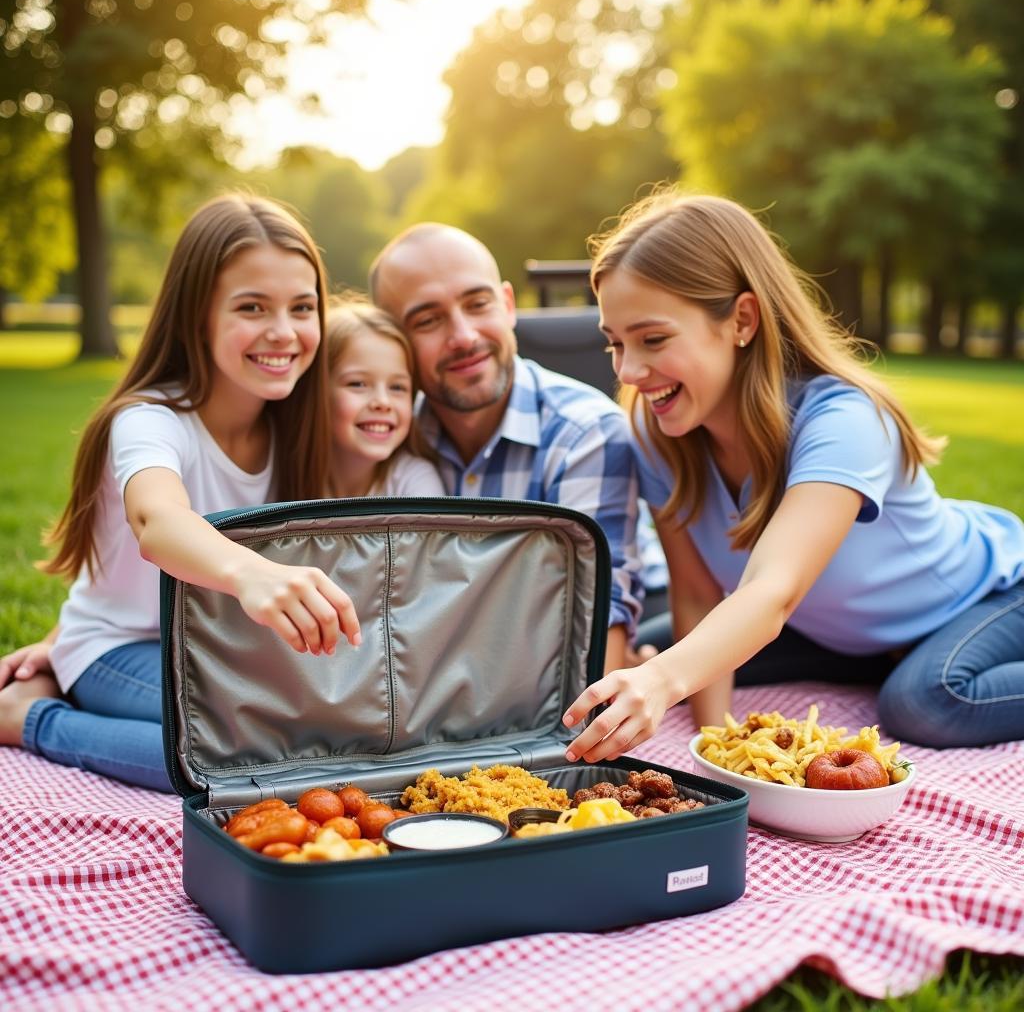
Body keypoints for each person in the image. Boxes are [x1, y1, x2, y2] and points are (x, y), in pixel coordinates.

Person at [563, 190, 1024, 763]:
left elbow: (772, 591)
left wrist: (662, 682)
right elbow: (700, 596)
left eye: (653, 339)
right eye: (615, 343)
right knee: (662, 647)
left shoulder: (845, 420)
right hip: (845, 635)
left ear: (742, 320)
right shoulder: (657, 429)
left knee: (926, 701)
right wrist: (717, 746)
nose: (630, 371)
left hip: (990, 597)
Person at [0, 195, 361, 790]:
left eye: (302, 307)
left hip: (208, 653)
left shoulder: (294, 428)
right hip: (117, 649)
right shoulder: (151, 419)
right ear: (196, 315)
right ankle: (31, 720)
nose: (283, 332)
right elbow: (158, 522)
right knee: (246, 758)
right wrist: (252, 574)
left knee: (326, 730)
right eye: (252, 307)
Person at [368, 224, 645, 669]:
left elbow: (598, 617)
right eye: (428, 320)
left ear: (508, 305)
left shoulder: (586, 432)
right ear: (394, 342)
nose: (463, 336)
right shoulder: (381, 437)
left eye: (478, 304)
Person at [325, 295, 444, 498]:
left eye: (397, 387)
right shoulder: (280, 470)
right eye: (358, 384)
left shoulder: (414, 480)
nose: (382, 402)